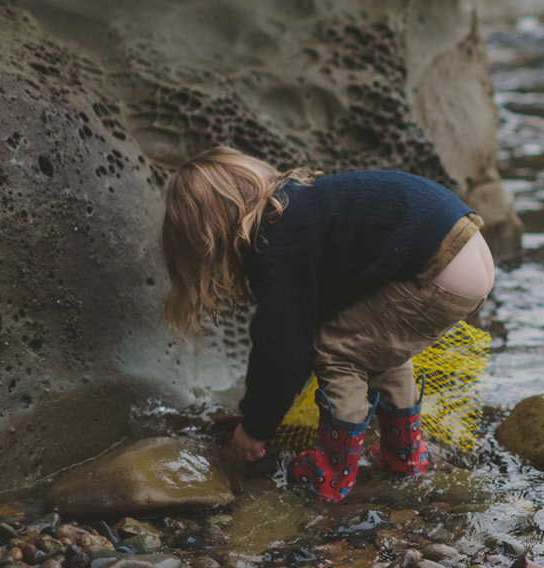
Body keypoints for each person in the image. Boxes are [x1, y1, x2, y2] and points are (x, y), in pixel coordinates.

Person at [159, 146, 495, 502]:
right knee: (373, 343)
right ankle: (405, 457)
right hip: (469, 249)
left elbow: (283, 349)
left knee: (335, 349)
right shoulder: (301, 209)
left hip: (438, 267)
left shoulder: (275, 243)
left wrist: (255, 427)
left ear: (209, 234)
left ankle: (332, 477)